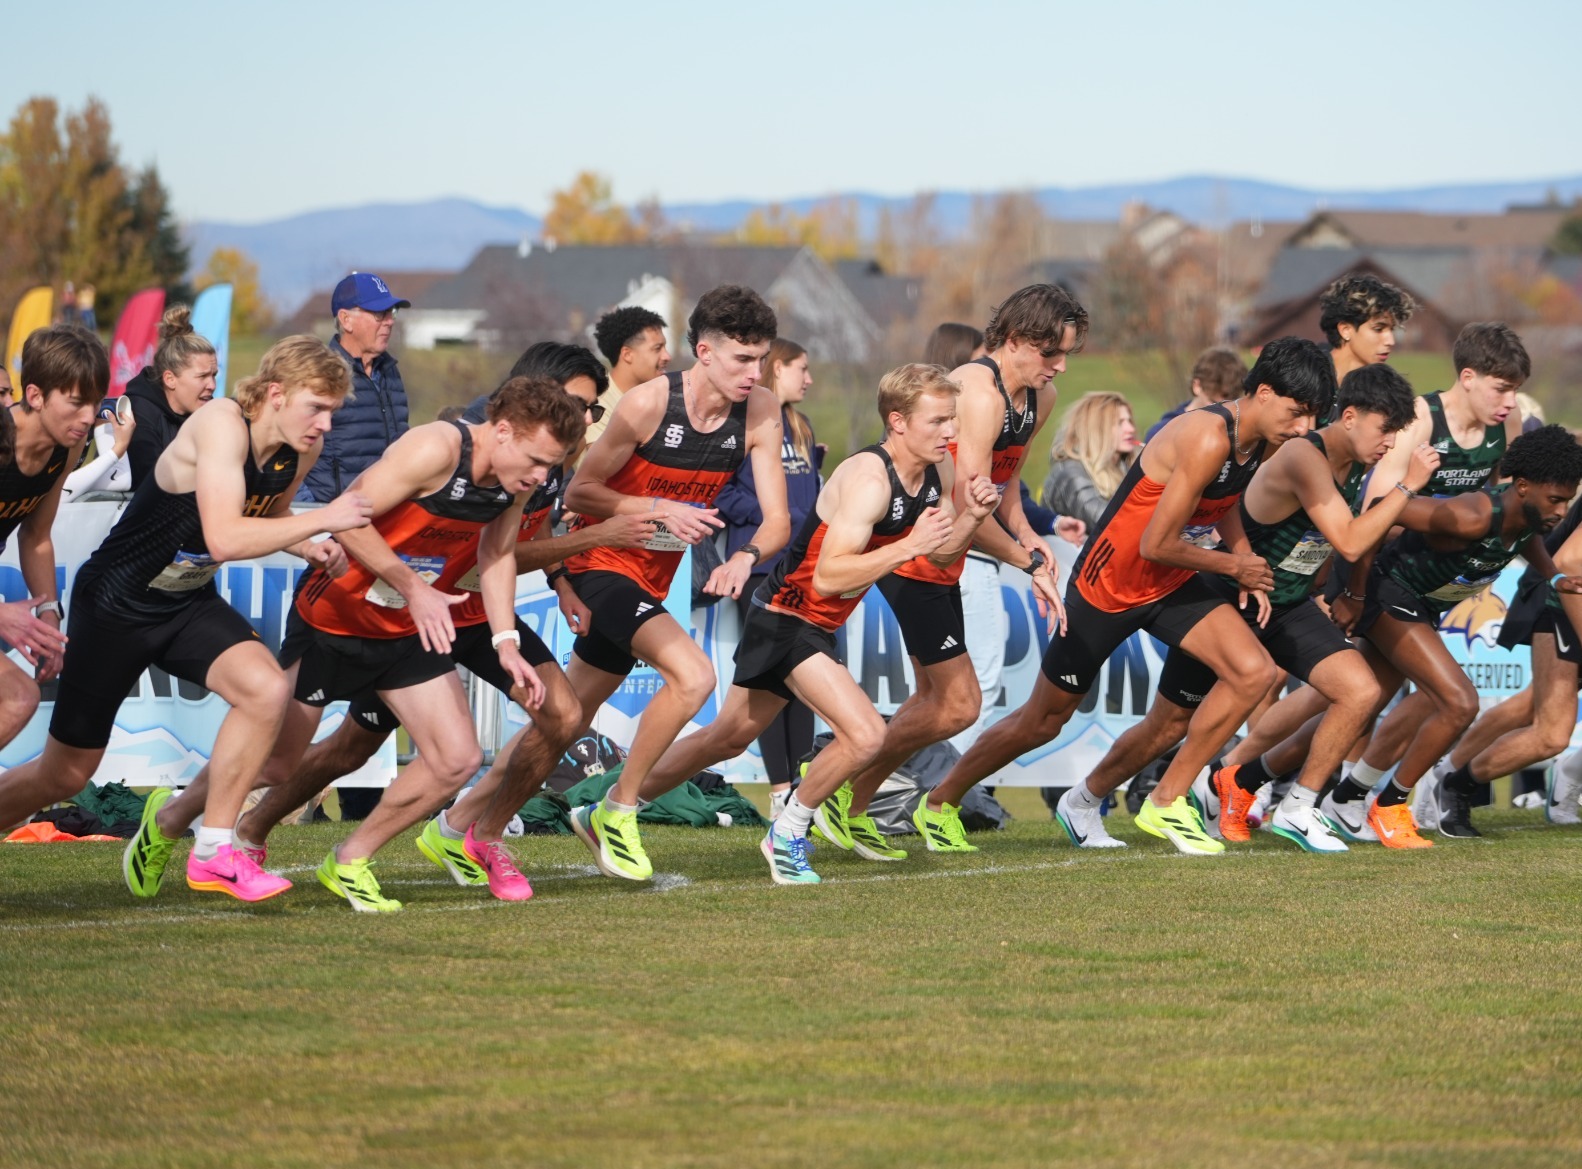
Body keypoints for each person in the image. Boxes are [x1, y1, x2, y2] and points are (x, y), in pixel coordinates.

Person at [141, 377, 584, 911]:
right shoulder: (436, 448)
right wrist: (413, 586)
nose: (542, 477)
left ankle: (350, 858)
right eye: (537, 460)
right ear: (504, 431)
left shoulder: (519, 481)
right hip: (336, 616)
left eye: (550, 466)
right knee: (278, 763)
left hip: (403, 626)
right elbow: (348, 518)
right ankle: (171, 818)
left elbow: (496, 555)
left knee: (456, 758)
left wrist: (506, 641)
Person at [924, 337, 1334, 856]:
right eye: (1298, 413)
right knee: (1042, 722)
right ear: (1266, 392)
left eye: (1312, 417)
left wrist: (1244, 557)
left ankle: (1150, 800)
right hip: (1108, 585)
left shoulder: (1264, 440)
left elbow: (1223, 501)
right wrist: (1236, 565)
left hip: (1172, 580)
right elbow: (1155, 543)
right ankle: (940, 800)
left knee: (1249, 674)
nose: (1304, 429)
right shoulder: (1208, 436)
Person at [3, 336, 371, 902]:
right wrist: (326, 518)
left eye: (332, 412)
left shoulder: (298, 451)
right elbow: (225, 536)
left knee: (267, 689)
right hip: (117, 605)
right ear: (275, 393)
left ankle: (213, 848)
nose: (325, 424)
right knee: (64, 776)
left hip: (185, 601)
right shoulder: (222, 421)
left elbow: (270, 515)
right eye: (316, 407)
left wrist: (309, 544)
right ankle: (182, 831)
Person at [631, 363, 999, 880]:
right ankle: (788, 832)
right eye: (939, 421)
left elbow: (937, 558)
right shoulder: (869, 479)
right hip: (788, 615)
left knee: (727, 737)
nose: (952, 432)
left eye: (954, 419)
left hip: (811, 621)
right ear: (897, 421)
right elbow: (828, 576)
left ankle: (618, 804)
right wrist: (908, 546)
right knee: (865, 735)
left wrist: (971, 520)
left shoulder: (933, 474)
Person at [827, 287, 1078, 856]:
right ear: (1015, 340)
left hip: (949, 549)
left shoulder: (1041, 395)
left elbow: (1005, 481)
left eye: (1066, 355)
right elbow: (966, 502)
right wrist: (1024, 560)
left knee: (936, 700)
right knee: (959, 703)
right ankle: (839, 787)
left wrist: (1029, 536)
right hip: (919, 549)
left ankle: (851, 795)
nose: (1060, 367)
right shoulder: (978, 393)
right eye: (1050, 353)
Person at [1148, 365, 1437, 852]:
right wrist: (1408, 488)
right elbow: (1349, 539)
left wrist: (1344, 593)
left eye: (1396, 433)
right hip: (1233, 596)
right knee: (1166, 725)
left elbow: (1332, 542)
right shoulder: (1306, 454)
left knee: (1360, 690)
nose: (1390, 443)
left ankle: (1299, 806)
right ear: (1349, 416)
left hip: (1286, 603)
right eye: (1385, 429)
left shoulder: (1355, 462)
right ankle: (1089, 800)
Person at [562, 285, 789, 882]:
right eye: (743, 359)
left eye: (762, 358)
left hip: (652, 577)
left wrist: (745, 557)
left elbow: (779, 520)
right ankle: (618, 808)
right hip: (601, 562)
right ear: (705, 353)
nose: (755, 372)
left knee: (558, 719)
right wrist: (657, 504)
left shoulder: (762, 409)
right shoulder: (646, 404)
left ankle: (460, 825)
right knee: (694, 677)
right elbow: (579, 492)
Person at [1308, 426, 1582, 848]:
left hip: (1415, 604)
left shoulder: (1527, 519)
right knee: (1459, 701)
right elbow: (1383, 511)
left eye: (1568, 500)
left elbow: (1528, 543)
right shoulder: (1472, 514)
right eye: (1556, 500)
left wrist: (1556, 576)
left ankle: (1315, 792)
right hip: (1386, 590)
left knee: (1366, 703)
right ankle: (1390, 805)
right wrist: (1354, 593)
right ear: (1523, 487)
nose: (1563, 511)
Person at [1430, 497, 1582, 836]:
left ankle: (1571, 771)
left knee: (1532, 705)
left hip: (1565, 592)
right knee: (1551, 735)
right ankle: (1454, 782)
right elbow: (1570, 560)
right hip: (1563, 596)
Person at [715, 337, 822, 816]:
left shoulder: (799, 426)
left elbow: (808, 494)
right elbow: (723, 494)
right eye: (802, 368)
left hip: (801, 568)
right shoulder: (743, 424)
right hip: (758, 565)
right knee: (765, 681)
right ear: (778, 369)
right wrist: (777, 515)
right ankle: (780, 789)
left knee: (801, 681)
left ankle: (798, 786)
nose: (809, 378)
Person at [0, 326, 104, 784]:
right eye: (76, 401)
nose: (88, 416)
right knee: (16, 698)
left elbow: (37, 535)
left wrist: (48, 614)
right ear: (36, 395)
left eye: (95, 402)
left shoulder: (68, 445)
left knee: (17, 699)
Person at [298, 272, 411, 502]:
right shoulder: (318, 373)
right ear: (346, 319)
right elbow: (287, 448)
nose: (389, 321)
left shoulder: (390, 371)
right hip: (331, 521)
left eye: (392, 312)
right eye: (380, 314)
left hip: (387, 513)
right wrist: (314, 513)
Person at [122, 305, 220, 488]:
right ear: (170, 379)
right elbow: (155, 483)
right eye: (202, 376)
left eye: (214, 375)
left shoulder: (213, 413)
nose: (212, 386)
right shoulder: (138, 414)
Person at [1040, 391, 1141, 529]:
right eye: (1119, 423)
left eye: (1129, 421)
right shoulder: (1071, 474)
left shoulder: (1126, 466)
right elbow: (1108, 523)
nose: (1130, 429)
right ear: (1096, 428)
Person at [590, 305, 670, 451]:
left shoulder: (665, 399)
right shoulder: (596, 404)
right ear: (627, 354)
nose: (667, 357)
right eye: (657, 348)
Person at [1319, 273, 1415, 385]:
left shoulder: (1383, 388)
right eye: (1378, 329)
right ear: (1345, 330)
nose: (1391, 341)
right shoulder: (1304, 377)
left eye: (1392, 329)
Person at [1143, 347, 1247, 442]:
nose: (1223, 412)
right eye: (1214, 403)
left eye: (1230, 404)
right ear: (1197, 386)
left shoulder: (1240, 434)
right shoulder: (1162, 433)